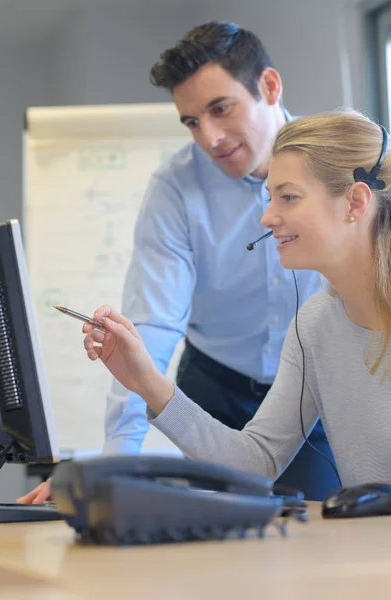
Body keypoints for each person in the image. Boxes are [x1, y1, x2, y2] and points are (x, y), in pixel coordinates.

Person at [17, 22, 335, 506]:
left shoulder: (337, 163)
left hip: (315, 389)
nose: (209, 137)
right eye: (190, 121)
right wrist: (118, 458)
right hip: (217, 383)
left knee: (323, 540)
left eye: (220, 109)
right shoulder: (175, 189)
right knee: (210, 543)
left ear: (269, 87)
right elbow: (152, 324)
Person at [77, 110, 391, 488]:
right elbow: (256, 459)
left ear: (356, 202)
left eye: (288, 197)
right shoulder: (314, 326)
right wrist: (145, 381)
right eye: (270, 197)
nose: (267, 217)